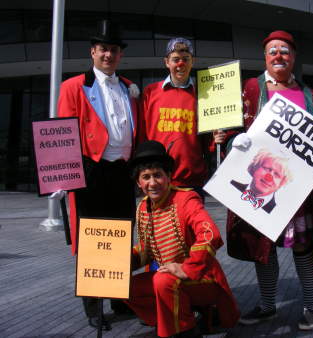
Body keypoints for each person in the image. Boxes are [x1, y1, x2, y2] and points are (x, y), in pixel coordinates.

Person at [223, 30, 313, 331]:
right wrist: (233, 142)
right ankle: (267, 306)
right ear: (265, 58)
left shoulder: (312, 97)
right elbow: (232, 131)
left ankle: (312, 307)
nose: (279, 56)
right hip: (262, 187)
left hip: (299, 194)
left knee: (303, 249)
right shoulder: (250, 89)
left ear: (294, 58)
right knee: (263, 250)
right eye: (273, 51)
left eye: (284, 51)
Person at [57, 19, 139, 329]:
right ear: (93, 52)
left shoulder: (129, 88)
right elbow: (64, 132)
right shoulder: (73, 86)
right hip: (91, 170)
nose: (108, 55)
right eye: (103, 49)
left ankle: (118, 300)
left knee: (120, 236)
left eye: (114, 50)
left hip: (122, 171)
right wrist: (63, 177)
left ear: (120, 54)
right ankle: (94, 309)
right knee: (93, 239)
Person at [126, 140, 240, 338]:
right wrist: (118, 262)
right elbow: (147, 250)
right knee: (125, 287)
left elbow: (210, 234)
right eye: (146, 177)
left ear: (169, 176)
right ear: (139, 182)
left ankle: (183, 332)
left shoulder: (186, 199)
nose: (152, 183)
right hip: (168, 278)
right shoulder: (143, 207)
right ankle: (172, 322)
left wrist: (186, 268)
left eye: (157, 175)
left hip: (200, 277)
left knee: (162, 280)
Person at [139, 37, 211, 196]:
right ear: (167, 62)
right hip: (157, 179)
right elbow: (142, 135)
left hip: (191, 180)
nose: (180, 64)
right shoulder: (150, 92)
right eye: (175, 59)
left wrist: (218, 137)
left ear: (193, 61)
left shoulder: (203, 95)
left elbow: (208, 141)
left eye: (186, 59)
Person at [230, 149, 292, 213]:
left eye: (277, 174)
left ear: (281, 183)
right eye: (267, 168)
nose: (269, 177)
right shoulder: (230, 185)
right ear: (255, 167)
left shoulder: (277, 213)